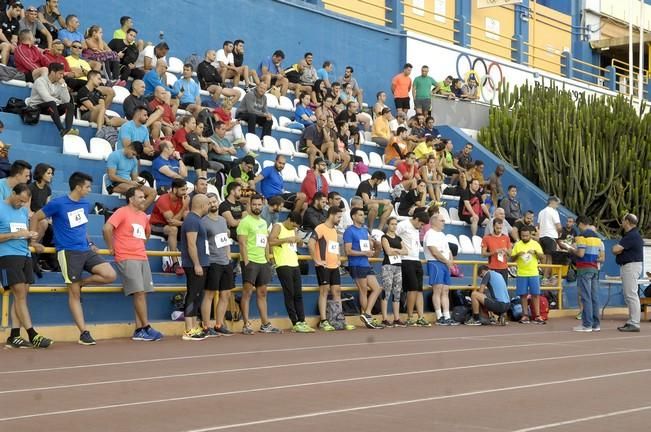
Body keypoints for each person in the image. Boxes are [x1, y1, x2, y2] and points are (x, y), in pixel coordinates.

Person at [30, 172, 117, 345]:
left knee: (110, 275)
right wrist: (33, 240)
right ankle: (84, 332)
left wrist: (90, 241)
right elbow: (36, 217)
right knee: (74, 293)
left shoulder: (85, 203)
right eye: (87, 186)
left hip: (86, 249)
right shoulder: (58, 203)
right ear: (78, 187)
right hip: (68, 252)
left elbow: (82, 226)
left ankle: (82, 282)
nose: (90, 190)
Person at [103, 187, 162, 342]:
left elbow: (147, 232)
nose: (144, 199)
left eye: (144, 197)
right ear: (131, 199)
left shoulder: (143, 216)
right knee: (139, 293)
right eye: (141, 197)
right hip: (127, 257)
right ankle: (146, 327)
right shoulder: (122, 212)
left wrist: (140, 245)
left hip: (141, 257)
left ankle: (139, 329)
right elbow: (107, 228)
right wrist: (111, 247)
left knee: (141, 294)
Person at [1, 184, 52, 348]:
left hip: (25, 255)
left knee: (21, 296)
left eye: (24, 202)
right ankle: (33, 335)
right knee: (20, 294)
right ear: (12, 193)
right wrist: (15, 235)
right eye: (20, 200)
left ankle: (14, 335)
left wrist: (33, 242)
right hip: (7, 256)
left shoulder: (23, 211)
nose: (21, 204)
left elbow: (24, 234)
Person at [237, 194, 280, 335]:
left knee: (262, 293)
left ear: (263, 205)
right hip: (251, 262)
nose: (257, 207)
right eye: (254, 204)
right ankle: (246, 324)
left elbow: (266, 242)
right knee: (247, 293)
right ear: (250, 205)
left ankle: (265, 324)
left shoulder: (263, 222)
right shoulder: (245, 222)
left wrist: (268, 260)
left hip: (263, 262)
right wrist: (246, 261)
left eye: (259, 204)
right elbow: (242, 243)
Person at [309, 206, 354, 331]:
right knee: (324, 291)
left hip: (334, 266)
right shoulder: (320, 228)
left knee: (337, 291)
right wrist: (316, 260)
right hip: (323, 266)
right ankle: (324, 321)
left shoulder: (334, 231)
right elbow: (311, 243)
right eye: (339, 217)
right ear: (332, 215)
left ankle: (338, 320)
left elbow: (334, 247)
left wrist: (338, 258)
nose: (340, 219)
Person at [269, 211, 314, 333]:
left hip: (294, 263)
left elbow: (295, 245)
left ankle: (302, 321)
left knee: (298, 294)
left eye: (296, 227)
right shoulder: (278, 226)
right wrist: (286, 239)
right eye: (293, 225)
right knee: (290, 293)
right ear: (288, 219)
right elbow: (271, 241)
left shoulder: (293, 230)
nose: (294, 228)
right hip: (282, 264)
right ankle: (295, 322)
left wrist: (298, 241)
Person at [559, 216, 605, 332]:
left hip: (584, 269)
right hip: (594, 269)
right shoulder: (597, 238)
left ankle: (587, 324)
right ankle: (595, 324)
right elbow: (601, 257)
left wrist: (569, 248)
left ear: (580, 224)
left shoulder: (582, 236)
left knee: (586, 297)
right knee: (594, 297)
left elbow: (580, 254)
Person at [199, 193, 234, 337]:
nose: (213, 204)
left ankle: (219, 324)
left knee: (225, 294)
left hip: (225, 262)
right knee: (209, 294)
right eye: (210, 202)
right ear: (207, 204)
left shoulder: (222, 220)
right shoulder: (203, 221)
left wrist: (228, 254)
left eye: (215, 201)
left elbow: (225, 239)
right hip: (212, 262)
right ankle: (206, 326)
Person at [344, 207, 383, 329]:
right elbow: (348, 251)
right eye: (360, 215)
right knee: (363, 291)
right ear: (354, 217)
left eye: (363, 215)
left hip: (365, 263)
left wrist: (375, 247)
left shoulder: (364, 231)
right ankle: (367, 316)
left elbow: (369, 249)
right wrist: (364, 253)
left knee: (377, 288)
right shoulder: (349, 231)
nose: (363, 217)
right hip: (356, 264)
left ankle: (367, 313)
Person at [179, 194, 210, 341]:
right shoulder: (192, 220)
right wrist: (196, 263)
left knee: (198, 295)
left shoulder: (197, 220)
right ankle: (188, 329)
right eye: (208, 204)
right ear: (202, 206)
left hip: (201, 263)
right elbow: (191, 244)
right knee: (193, 294)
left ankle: (193, 326)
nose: (209, 207)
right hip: (194, 265)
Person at [423, 213, 458, 326]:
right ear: (434, 221)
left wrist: (450, 261)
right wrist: (447, 261)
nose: (444, 222)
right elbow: (434, 251)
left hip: (444, 264)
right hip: (435, 263)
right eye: (442, 220)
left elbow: (448, 251)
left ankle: (447, 315)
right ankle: (439, 316)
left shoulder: (442, 234)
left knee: (445, 290)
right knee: (437, 290)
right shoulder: (430, 234)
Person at [612, 213, 644, 332]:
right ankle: (631, 321)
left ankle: (634, 323)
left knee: (631, 295)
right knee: (629, 295)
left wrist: (618, 249)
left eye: (623, 220)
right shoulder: (632, 235)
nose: (622, 222)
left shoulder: (632, 235)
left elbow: (615, 249)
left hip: (631, 266)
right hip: (629, 266)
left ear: (627, 222)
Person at [396, 212, 430, 326]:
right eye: (420, 224)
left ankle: (420, 317)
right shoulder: (403, 225)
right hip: (406, 260)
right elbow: (393, 237)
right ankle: (410, 317)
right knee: (412, 288)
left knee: (419, 289)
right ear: (415, 218)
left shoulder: (416, 228)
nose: (421, 227)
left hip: (416, 260)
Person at [149, 178, 189, 276]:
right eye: (183, 190)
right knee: (173, 229)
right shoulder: (163, 199)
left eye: (186, 189)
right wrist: (184, 207)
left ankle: (190, 262)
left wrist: (184, 223)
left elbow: (187, 220)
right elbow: (171, 222)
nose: (185, 192)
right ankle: (175, 263)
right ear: (174, 190)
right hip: (156, 225)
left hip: (173, 223)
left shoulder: (183, 199)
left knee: (191, 230)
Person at [28, 62, 77, 137]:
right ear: (53, 72)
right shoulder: (40, 81)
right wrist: (59, 102)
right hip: (37, 107)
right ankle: (61, 129)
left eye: (62, 74)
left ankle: (68, 129)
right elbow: (46, 98)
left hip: (52, 108)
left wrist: (64, 85)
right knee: (51, 103)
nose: (62, 76)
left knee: (69, 105)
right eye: (60, 74)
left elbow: (66, 100)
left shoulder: (60, 83)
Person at [105, 141, 157, 208]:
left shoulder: (134, 160)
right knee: (134, 191)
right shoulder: (114, 155)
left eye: (135, 155)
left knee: (153, 192)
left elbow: (134, 178)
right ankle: (135, 212)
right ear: (129, 148)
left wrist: (138, 182)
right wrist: (130, 182)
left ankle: (139, 211)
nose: (133, 156)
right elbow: (112, 176)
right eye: (133, 154)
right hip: (114, 184)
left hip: (129, 184)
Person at [511, 226, 545, 324]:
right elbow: (511, 259)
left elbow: (542, 257)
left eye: (526, 235)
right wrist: (518, 255)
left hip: (533, 273)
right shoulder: (517, 245)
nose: (525, 237)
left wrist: (535, 253)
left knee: (535, 294)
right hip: (521, 273)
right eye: (523, 236)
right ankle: (525, 315)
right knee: (523, 295)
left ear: (530, 235)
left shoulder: (535, 244)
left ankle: (537, 315)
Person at [380, 217, 408, 327]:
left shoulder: (399, 238)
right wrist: (398, 251)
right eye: (392, 224)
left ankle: (397, 318)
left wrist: (395, 251)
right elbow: (388, 251)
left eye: (395, 224)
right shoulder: (384, 237)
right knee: (386, 291)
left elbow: (406, 251)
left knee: (397, 292)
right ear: (388, 225)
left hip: (398, 266)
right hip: (388, 266)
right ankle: (384, 318)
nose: (394, 226)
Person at [537, 196, 562, 284]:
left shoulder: (541, 212)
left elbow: (539, 226)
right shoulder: (554, 212)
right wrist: (560, 234)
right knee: (550, 258)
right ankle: (545, 278)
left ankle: (549, 276)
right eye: (557, 204)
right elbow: (558, 226)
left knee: (545, 258)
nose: (557, 206)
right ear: (552, 202)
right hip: (551, 236)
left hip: (542, 237)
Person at [481, 218, 513, 283]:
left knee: (503, 288)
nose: (499, 230)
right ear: (493, 226)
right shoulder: (486, 238)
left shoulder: (506, 238)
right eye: (497, 228)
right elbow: (483, 254)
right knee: (493, 288)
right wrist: (494, 252)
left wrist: (505, 251)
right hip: (492, 268)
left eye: (500, 228)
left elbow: (510, 254)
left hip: (504, 268)